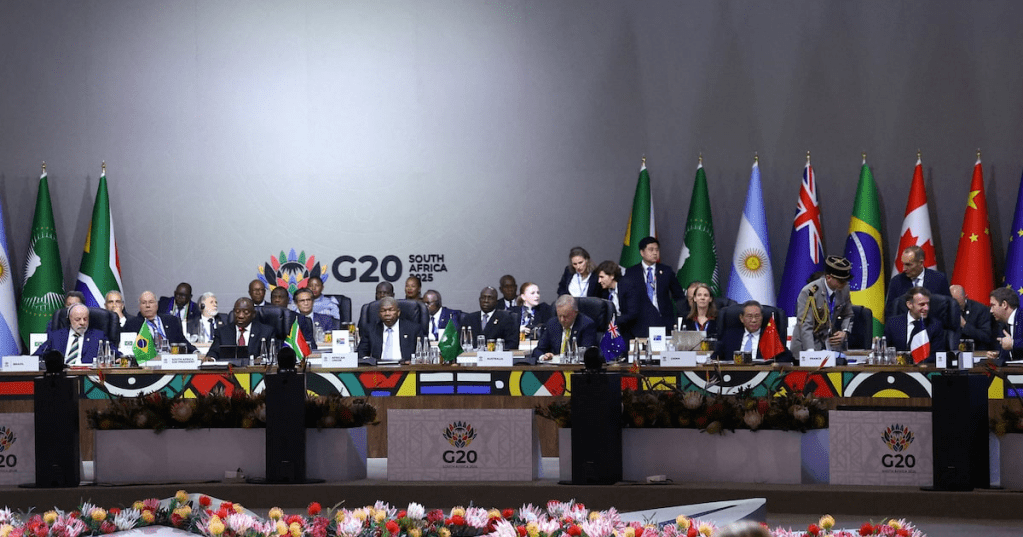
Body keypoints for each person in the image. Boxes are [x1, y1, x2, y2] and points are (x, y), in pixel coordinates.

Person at [619, 237, 686, 338]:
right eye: (651, 249)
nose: (655, 253)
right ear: (642, 252)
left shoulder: (666, 271)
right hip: (640, 322)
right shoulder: (632, 272)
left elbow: (679, 295)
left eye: (657, 250)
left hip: (663, 320)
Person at [791, 255, 854, 353]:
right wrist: (811, 353)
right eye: (840, 281)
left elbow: (848, 315)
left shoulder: (844, 289)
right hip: (807, 346)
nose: (844, 283)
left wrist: (845, 331)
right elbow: (805, 324)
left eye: (846, 280)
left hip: (830, 346)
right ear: (828, 277)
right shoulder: (810, 292)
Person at [34, 304, 114, 365]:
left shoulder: (98, 336)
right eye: (77, 319)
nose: (82, 323)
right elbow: (37, 356)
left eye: (85, 319)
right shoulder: (57, 336)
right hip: (61, 376)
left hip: (88, 378)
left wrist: (120, 358)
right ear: (69, 320)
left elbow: (113, 352)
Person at [884, 287, 946, 363]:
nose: (926, 308)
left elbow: (937, 355)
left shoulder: (935, 325)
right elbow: (886, 350)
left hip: (924, 370)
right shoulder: (893, 323)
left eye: (928, 304)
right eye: (922, 304)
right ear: (909, 305)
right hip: (897, 369)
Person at [885, 245, 951, 316]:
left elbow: (948, 306)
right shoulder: (896, 282)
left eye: (908, 265)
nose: (904, 269)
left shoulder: (938, 279)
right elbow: (890, 311)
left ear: (921, 263)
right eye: (903, 264)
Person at [125, 291, 197, 353]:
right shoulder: (132, 324)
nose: (147, 306)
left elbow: (182, 341)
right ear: (139, 306)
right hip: (147, 361)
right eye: (144, 303)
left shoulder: (171, 321)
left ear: (157, 304)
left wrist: (195, 352)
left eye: (151, 302)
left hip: (171, 359)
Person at [532, 295, 598, 362]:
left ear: (575, 313)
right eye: (559, 316)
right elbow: (538, 350)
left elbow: (587, 354)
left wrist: (558, 357)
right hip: (554, 369)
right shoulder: (552, 324)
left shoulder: (587, 324)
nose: (562, 320)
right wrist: (544, 356)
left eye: (565, 316)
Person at [356, 297, 420, 364]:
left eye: (391, 310)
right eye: (383, 311)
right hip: (378, 370)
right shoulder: (371, 330)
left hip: (406, 369)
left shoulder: (413, 329)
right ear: (379, 314)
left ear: (398, 312)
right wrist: (369, 361)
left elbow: (421, 352)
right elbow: (361, 353)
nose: (387, 314)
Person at [207, 298, 276, 359]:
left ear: (253, 314)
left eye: (246, 313)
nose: (240, 316)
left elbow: (272, 355)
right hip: (229, 371)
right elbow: (213, 352)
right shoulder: (222, 332)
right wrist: (211, 358)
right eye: (237, 312)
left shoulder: (266, 332)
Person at [950, 284, 994, 350]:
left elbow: (986, 336)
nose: (955, 306)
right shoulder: (945, 309)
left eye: (958, 304)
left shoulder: (980, 310)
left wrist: (964, 325)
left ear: (966, 297)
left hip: (975, 353)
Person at [988, 286, 1023, 365]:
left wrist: (1013, 344)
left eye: (993, 305)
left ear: (1004, 304)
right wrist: (998, 357)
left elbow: (1012, 344)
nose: (991, 311)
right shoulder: (1002, 324)